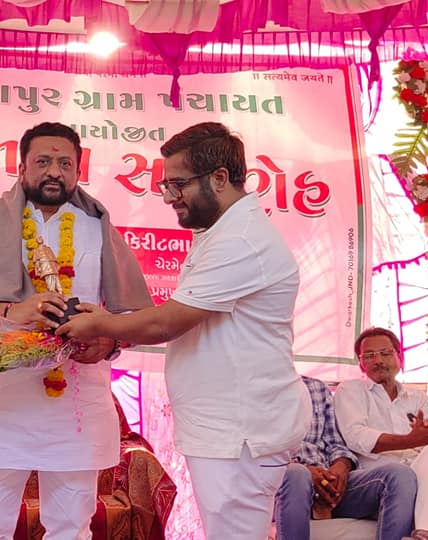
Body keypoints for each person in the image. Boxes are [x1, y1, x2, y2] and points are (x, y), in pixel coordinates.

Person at [56, 121, 312, 539]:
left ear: (220, 178)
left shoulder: (242, 239)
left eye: (178, 185)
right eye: (166, 186)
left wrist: (98, 323)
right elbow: (195, 322)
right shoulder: (222, 231)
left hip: (240, 431)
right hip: (229, 428)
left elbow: (167, 322)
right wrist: (114, 335)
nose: (169, 197)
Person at [0, 121, 152, 539]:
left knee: (72, 528)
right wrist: (11, 311)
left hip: (75, 404)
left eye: (65, 163)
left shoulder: (97, 229)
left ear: (78, 171)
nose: (54, 171)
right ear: (22, 168)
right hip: (0, 401)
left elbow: (130, 312)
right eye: (42, 162)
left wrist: (109, 340)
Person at [333, 327, 428, 540]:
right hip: (376, 479)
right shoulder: (351, 390)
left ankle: (427, 534)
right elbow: (356, 437)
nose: (378, 360)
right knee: (408, 474)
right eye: (369, 355)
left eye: (385, 353)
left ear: (399, 358)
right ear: (361, 363)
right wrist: (411, 440)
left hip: (419, 472)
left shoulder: (416, 398)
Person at [275, 375, 417, 540]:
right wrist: (304, 470)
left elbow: (335, 443)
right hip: (282, 482)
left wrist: (341, 465)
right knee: (297, 474)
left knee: (400, 475)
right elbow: (257, 455)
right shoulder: (251, 389)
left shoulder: (316, 388)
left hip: (329, 482)